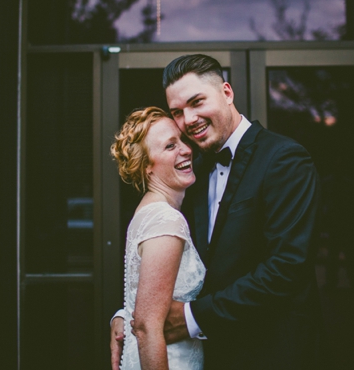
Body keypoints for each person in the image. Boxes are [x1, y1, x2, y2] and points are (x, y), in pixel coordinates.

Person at [111, 54, 321, 370]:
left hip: (273, 353)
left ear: (226, 93)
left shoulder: (283, 160)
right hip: (215, 357)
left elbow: (287, 267)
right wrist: (128, 315)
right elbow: (165, 257)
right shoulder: (191, 172)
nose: (189, 119)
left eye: (197, 102)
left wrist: (193, 318)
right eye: (178, 112)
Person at [111, 106, 206, 370]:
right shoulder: (165, 219)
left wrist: (119, 317)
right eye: (169, 146)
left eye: (182, 141)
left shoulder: (147, 212)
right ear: (146, 168)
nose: (186, 150)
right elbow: (146, 327)